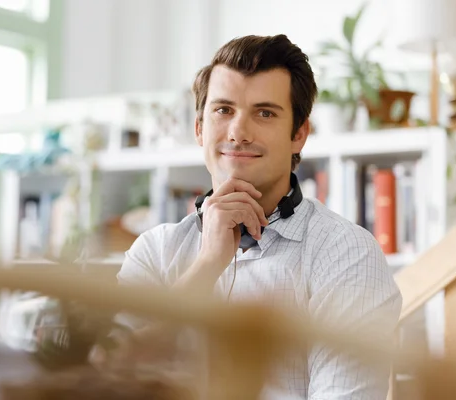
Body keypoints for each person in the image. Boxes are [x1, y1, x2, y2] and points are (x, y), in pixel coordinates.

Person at [111, 34, 402, 399]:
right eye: (223, 110)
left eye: (264, 113)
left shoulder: (348, 254)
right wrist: (207, 265)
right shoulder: (154, 250)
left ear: (299, 134)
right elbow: (111, 378)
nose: (238, 133)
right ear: (199, 129)